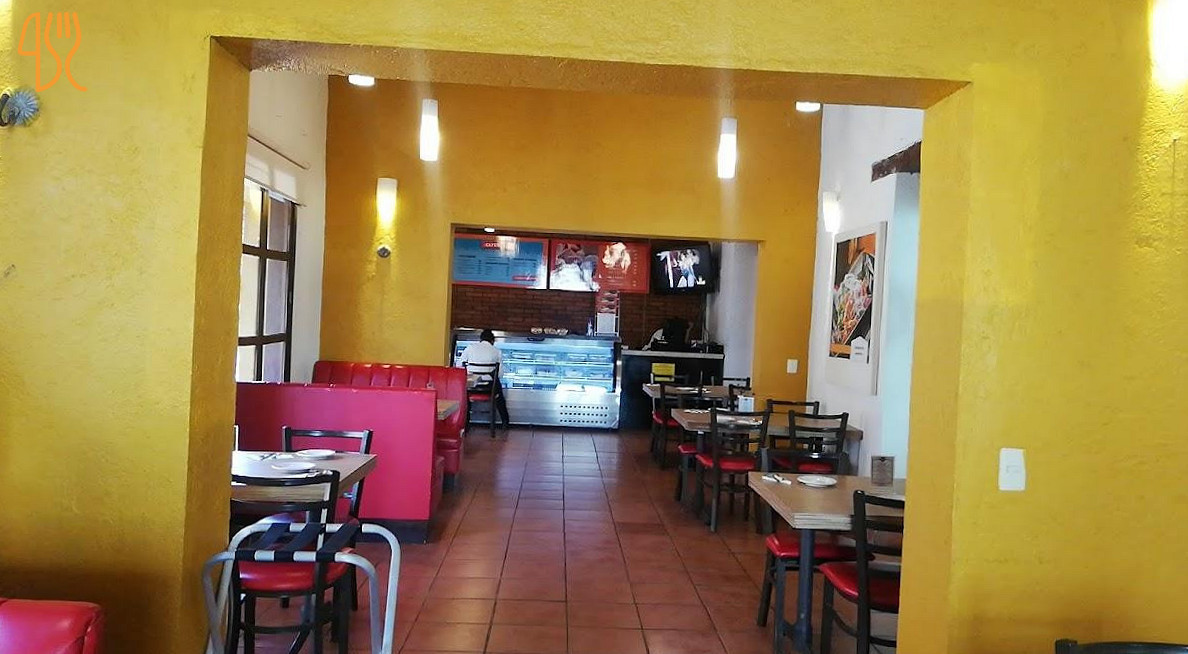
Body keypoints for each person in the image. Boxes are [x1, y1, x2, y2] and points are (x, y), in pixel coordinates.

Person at [459, 329, 510, 429]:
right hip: (489, 387)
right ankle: (505, 421)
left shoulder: (470, 347)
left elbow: (460, 365)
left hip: (471, 386)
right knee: (498, 389)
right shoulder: (496, 351)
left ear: (480, 339)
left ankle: (465, 422)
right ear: (492, 341)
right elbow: (500, 374)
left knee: (464, 391)